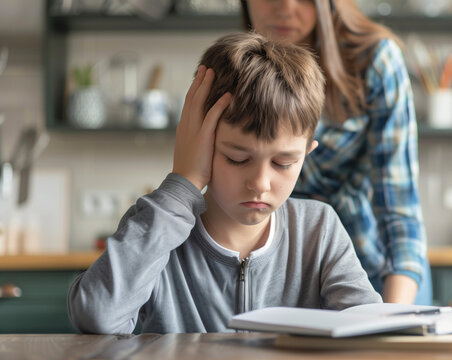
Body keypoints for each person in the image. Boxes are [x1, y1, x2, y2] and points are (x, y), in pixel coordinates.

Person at [67, 32, 381, 334]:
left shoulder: (318, 230)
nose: (260, 183)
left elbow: (368, 328)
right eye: (237, 158)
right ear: (199, 144)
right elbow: (97, 315)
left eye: (283, 163)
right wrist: (183, 181)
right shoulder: (157, 229)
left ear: (306, 153)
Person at [241, 0, 431, 304]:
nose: (285, 7)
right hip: (286, 279)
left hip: (377, 270)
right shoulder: (239, 68)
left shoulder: (374, 61)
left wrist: (392, 316)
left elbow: (399, 209)